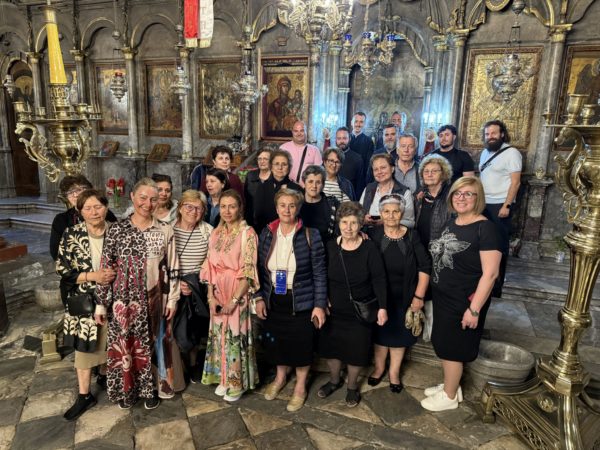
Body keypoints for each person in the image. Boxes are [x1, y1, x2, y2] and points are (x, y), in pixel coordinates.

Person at [95, 177, 183, 410]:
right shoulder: (117, 230)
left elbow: (173, 267)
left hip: (154, 300)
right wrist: (101, 304)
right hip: (123, 302)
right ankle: (128, 390)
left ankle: (151, 389)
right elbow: (106, 267)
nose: (148, 203)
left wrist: (172, 300)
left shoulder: (164, 230)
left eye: (153, 199)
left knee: (152, 346)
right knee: (127, 346)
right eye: (143, 197)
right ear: (132, 197)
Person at [421, 177, 501, 412]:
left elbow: (491, 274)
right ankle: (452, 385)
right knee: (443, 342)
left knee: (452, 348)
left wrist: (474, 310)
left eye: (468, 194)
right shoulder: (453, 222)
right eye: (457, 193)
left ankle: (449, 396)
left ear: (478, 198)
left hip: (464, 300)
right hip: (444, 297)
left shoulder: (485, 228)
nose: (461, 198)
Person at [255, 188, 327, 412]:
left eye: (292, 205)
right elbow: (257, 269)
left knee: (301, 345)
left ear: (298, 208)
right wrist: (258, 297)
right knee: (277, 342)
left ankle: (300, 387)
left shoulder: (311, 235)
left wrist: (319, 305)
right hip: (274, 298)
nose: (287, 210)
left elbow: (320, 273)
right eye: (282, 205)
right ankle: (280, 378)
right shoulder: (267, 232)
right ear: (276, 208)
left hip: (301, 300)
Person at [318, 202, 388, 407]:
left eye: (354, 223)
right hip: (333, 309)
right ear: (338, 223)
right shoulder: (330, 246)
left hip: (360, 311)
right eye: (344, 222)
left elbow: (379, 279)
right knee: (331, 349)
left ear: (360, 225)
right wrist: (322, 299)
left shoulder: (369, 248)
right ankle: (334, 381)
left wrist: (383, 307)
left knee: (356, 351)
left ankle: (351, 387)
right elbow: (321, 275)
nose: (348, 228)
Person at [57, 189, 116, 420]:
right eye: (88, 208)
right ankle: (84, 395)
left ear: (106, 207)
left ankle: (106, 376)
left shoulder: (117, 231)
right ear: (80, 211)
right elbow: (63, 270)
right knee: (84, 348)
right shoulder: (71, 234)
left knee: (111, 341)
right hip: (84, 300)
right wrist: (94, 276)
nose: (94, 212)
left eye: (98, 207)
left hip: (115, 298)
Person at [367, 194, 430, 393]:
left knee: (400, 336)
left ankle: (394, 372)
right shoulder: (373, 235)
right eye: (386, 211)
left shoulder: (412, 236)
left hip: (405, 296)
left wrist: (419, 297)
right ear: (380, 213)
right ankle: (379, 368)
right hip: (379, 297)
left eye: (395, 211)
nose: (391, 215)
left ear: (402, 213)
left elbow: (425, 266)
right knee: (380, 334)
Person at [201, 190, 259, 402]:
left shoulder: (247, 233)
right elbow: (209, 266)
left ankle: (237, 382)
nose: (227, 211)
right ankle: (223, 377)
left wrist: (234, 300)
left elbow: (248, 270)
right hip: (217, 290)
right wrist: (211, 297)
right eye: (223, 206)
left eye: (232, 206)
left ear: (240, 208)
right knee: (219, 336)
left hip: (237, 290)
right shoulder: (216, 233)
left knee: (235, 336)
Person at [173, 190, 213, 383]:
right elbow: (160, 262)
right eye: (189, 206)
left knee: (195, 329)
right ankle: (179, 367)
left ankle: (194, 363)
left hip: (197, 287)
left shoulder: (208, 231)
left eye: (198, 208)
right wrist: (177, 283)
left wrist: (196, 281)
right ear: (180, 208)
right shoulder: (169, 230)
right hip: (173, 286)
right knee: (175, 329)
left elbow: (212, 261)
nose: (193, 211)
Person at [478, 120, 521, 298]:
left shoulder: (512, 153)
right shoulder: (485, 152)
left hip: (500, 205)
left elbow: (515, 182)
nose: (490, 137)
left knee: (498, 245)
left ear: (502, 134)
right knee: (483, 243)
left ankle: (496, 286)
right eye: (487, 134)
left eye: (494, 133)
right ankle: (484, 279)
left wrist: (507, 205)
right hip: (483, 203)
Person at [415, 155, 454, 342]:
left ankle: (433, 331)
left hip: (440, 251)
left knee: (437, 289)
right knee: (423, 286)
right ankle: (422, 326)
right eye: (426, 171)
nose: (429, 174)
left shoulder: (450, 196)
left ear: (443, 174)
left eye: (434, 171)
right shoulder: (420, 195)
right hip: (421, 248)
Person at [50, 175, 117, 260]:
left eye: (78, 190)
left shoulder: (103, 213)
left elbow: (117, 241)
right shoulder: (61, 219)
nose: (75, 195)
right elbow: (56, 253)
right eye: (70, 192)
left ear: (88, 190)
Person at [252, 149, 302, 234]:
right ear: (271, 167)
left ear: (289, 167)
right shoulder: (262, 187)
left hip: (292, 233)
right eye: (277, 164)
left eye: (284, 164)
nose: (280, 168)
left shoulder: (297, 189)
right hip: (267, 233)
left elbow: (300, 216)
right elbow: (258, 215)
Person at [360, 153, 415, 229]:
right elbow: (359, 215)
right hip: (368, 233)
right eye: (376, 169)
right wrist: (363, 219)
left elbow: (410, 223)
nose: (379, 172)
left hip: (393, 234)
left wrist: (387, 222)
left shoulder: (405, 192)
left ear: (392, 169)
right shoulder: (368, 188)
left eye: (383, 168)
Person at [299, 165, 340, 243]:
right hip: (300, 246)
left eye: (318, 182)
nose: (314, 186)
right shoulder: (296, 203)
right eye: (310, 182)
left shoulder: (333, 205)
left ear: (323, 185)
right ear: (304, 183)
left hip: (327, 246)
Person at [279, 121, 322, 185]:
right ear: (292, 132)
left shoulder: (315, 150)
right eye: (296, 131)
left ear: (306, 132)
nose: (299, 134)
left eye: (302, 130)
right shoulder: (283, 148)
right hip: (286, 187)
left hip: (307, 188)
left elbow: (318, 174)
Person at [244, 148, 272, 226]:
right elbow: (246, 199)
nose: (262, 161)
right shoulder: (250, 175)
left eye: (265, 159)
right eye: (259, 159)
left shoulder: (276, 177)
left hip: (271, 221)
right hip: (251, 219)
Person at [335, 126, 364, 196]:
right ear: (335, 140)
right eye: (339, 138)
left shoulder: (357, 158)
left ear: (349, 139)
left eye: (344, 138)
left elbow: (360, 184)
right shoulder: (330, 157)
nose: (342, 141)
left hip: (350, 198)